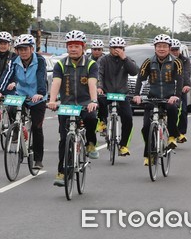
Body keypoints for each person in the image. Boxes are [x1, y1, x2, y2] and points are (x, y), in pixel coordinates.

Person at [48, 30, 99, 186]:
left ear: (83, 47)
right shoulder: (61, 65)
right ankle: (62, 172)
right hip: (67, 104)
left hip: (85, 103)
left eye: (77, 46)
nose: (73, 49)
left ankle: (90, 143)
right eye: (70, 46)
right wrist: (52, 101)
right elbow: (56, 82)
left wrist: (93, 101)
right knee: (64, 139)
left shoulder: (91, 64)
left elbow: (92, 83)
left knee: (91, 118)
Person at [0, 33, 47, 170]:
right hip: (21, 94)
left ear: (32, 49)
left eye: (26, 49)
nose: (23, 52)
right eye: (20, 49)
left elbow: (41, 77)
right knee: (12, 109)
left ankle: (38, 159)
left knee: (37, 127)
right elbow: (6, 75)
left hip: (37, 97)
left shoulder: (40, 60)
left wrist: (40, 93)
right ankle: (19, 132)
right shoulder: (14, 60)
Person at [133, 34, 183, 166]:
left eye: (164, 46)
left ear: (169, 48)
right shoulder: (148, 62)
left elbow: (179, 80)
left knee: (172, 109)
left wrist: (176, 95)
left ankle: (172, 136)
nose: (162, 49)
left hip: (169, 98)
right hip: (153, 98)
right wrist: (137, 95)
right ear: (155, 48)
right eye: (159, 46)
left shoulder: (176, 62)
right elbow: (141, 79)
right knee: (146, 128)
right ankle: (149, 154)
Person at [97, 36, 138, 156]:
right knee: (99, 102)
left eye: (120, 48)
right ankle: (102, 122)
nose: (117, 50)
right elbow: (99, 73)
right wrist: (99, 87)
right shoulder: (103, 60)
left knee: (128, 118)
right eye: (114, 47)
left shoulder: (126, 60)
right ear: (109, 48)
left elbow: (134, 71)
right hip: (106, 92)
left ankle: (123, 145)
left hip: (122, 94)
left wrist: (124, 58)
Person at [170, 38, 191, 144]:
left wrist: (187, 85)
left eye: (176, 50)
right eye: (172, 50)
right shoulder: (165, 60)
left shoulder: (185, 60)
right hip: (167, 88)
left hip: (180, 87)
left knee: (182, 110)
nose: (174, 52)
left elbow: (186, 73)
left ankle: (181, 132)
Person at [89, 39, 107, 134]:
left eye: (99, 49)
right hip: (90, 86)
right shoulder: (87, 59)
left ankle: (103, 123)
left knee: (102, 101)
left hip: (103, 86)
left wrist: (100, 87)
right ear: (91, 50)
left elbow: (102, 75)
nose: (97, 51)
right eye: (94, 49)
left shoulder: (105, 59)